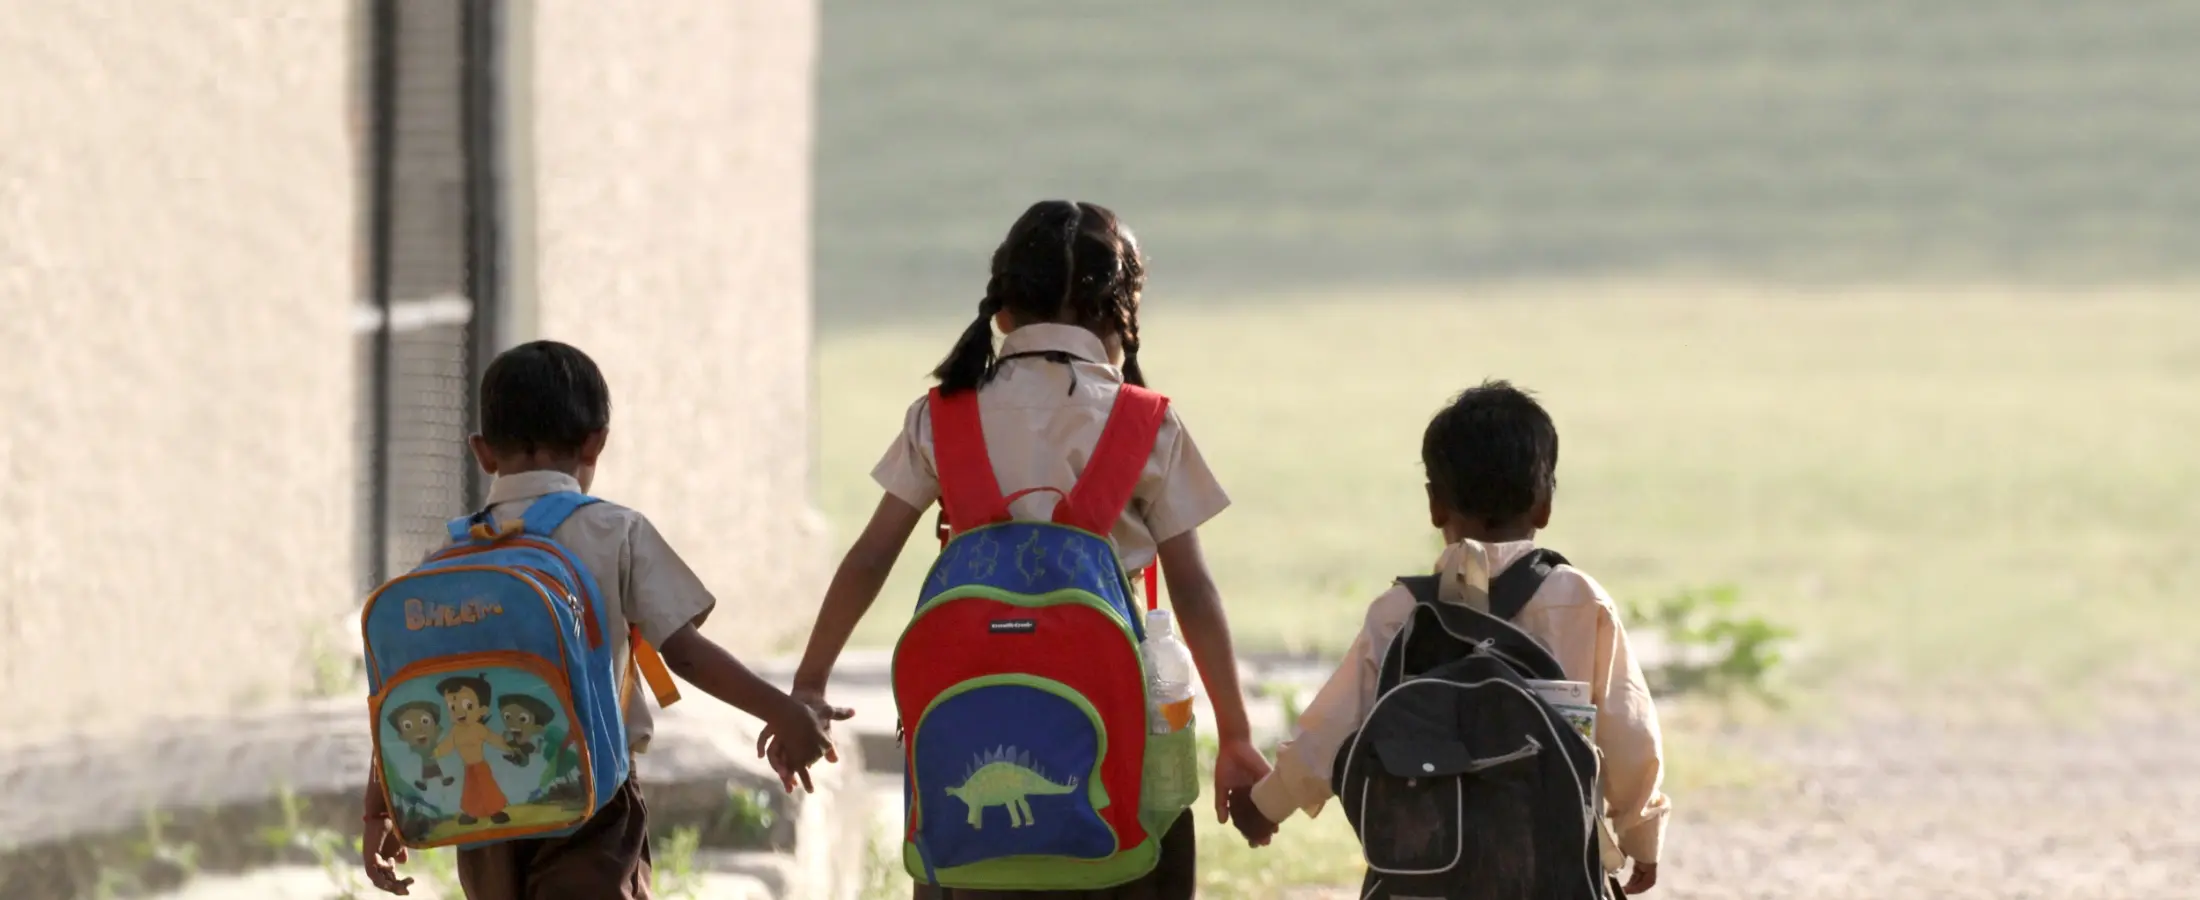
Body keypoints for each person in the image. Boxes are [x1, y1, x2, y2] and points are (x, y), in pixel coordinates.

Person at [771, 200, 1269, 899]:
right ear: (1120, 315)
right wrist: (1238, 736)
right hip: (1114, 777)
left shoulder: (942, 416)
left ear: (1002, 311)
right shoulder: (1145, 425)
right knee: (1152, 828)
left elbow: (870, 556)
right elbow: (1192, 589)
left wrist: (811, 683)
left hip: (970, 760)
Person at [360, 340, 846, 899]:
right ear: (596, 443)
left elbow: (405, 686)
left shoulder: (452, 552)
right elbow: (683, 652)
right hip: (588, 799)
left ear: (483, 452)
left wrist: (382, 808)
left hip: (483, 821)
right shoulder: (615, 531)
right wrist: (784, 712)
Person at [1233, 381, 1671, 895]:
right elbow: (1629, 734)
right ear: (1545, 503)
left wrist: (1263, 807)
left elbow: (1327, 735)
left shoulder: (1402, 615)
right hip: (1550, 872)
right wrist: (1641, 837)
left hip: (1426, 875)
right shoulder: (1582, 602)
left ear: (1435, 505)